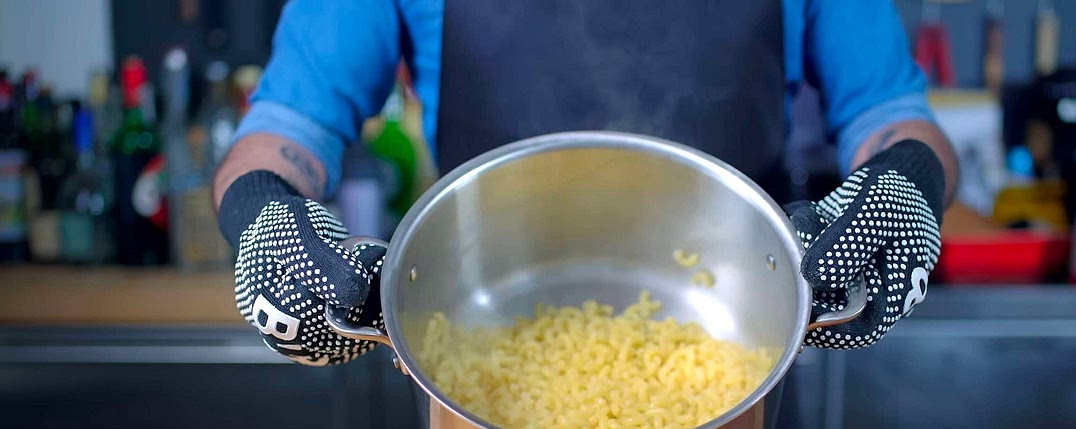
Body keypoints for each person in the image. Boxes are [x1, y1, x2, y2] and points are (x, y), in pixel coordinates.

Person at [215, 0, 958, 365]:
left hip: (741, 382)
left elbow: (898, 120)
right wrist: (263, 220)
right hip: (478, 380)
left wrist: (909, 185)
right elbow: (281, 138)